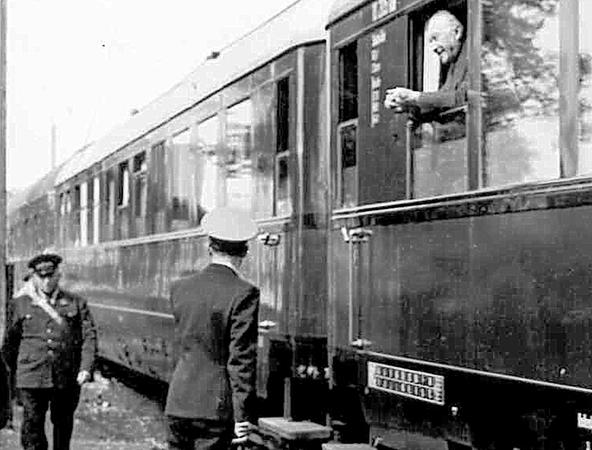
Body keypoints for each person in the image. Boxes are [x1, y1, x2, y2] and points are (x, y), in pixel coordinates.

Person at [165, 207, 260, 450]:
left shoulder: (180, 288)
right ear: (244, 252)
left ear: (209, 247)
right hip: (215, 409)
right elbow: (240, 360)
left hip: (178, 402)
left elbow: (184, 346)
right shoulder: (244, 293)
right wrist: (242, 416)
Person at [2, 253, 97, 450]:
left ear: (58, 276)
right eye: (41, 277)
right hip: (31, 376)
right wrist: (13, 377)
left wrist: (85, 368)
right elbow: (10, 343)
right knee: (32, 426)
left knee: (63, 425)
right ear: (34, 277)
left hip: (65, 376)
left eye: (50, 276)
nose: (46, 281)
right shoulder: (20, 304)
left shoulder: (75, 303)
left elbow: (88, 337)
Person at [384, 9, 467, 121]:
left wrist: (415, 97)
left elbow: (462, 98)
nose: (433, 47)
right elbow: (441, 102)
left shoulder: (471, 54)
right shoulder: (454, 63)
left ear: (457, 32)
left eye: (435, 38)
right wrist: (409, 106)